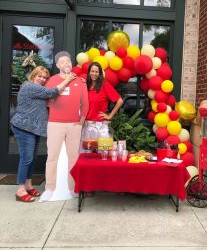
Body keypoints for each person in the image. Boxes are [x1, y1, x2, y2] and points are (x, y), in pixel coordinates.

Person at [10, 66, 76, 203]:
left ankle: (28, 185)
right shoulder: (29, 86)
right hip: (24, 127)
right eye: (39, 76)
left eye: (45, 77)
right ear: (33, 75)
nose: (42, 79)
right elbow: (53, 92)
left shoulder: (38, 89)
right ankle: (20, 189)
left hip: (33, 128)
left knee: (31, 158)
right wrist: (68, 79)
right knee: (26, 158)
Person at [40, 51, 89, 202]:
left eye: (68, 61)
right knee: (52, 157)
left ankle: (73, 188)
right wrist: (66, 82)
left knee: (73, 158)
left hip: (74, 125)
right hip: (55, 123)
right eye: (62, 62)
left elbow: (85, 103)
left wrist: (81, 120)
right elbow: (48, 100)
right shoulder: (52, 80)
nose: (66, 63)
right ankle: (49, 188)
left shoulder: (80, 82)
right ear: (57, 65)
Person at [82, 62, 123, 149]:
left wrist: (110, 116)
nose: (94, 74)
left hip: (100, 125)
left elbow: (120, 101)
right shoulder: (85, 86)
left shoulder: (104, 85)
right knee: (87, 155)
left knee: (103, 154)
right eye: (92, 71)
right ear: (89, 72)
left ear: (100, 73)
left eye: (96, 72)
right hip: (86, 126)